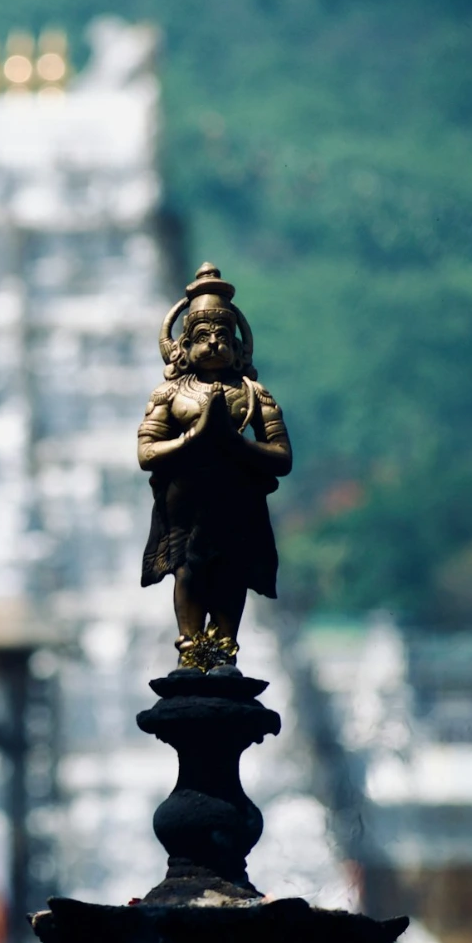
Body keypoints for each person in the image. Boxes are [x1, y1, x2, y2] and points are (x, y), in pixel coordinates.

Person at [137, 263, 292, 670]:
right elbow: (146, 453)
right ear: (182, 346)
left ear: (239, 346)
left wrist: (234, 444)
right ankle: (190, 647)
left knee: (231, 575)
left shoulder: (254, 394)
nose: (213, 345)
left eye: (223, 336)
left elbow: (281, 457)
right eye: (202, 337)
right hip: (185, 504)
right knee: (187, 571)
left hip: (236, 500)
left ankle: (225, 648)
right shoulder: (170, 393)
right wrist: (195, 438)